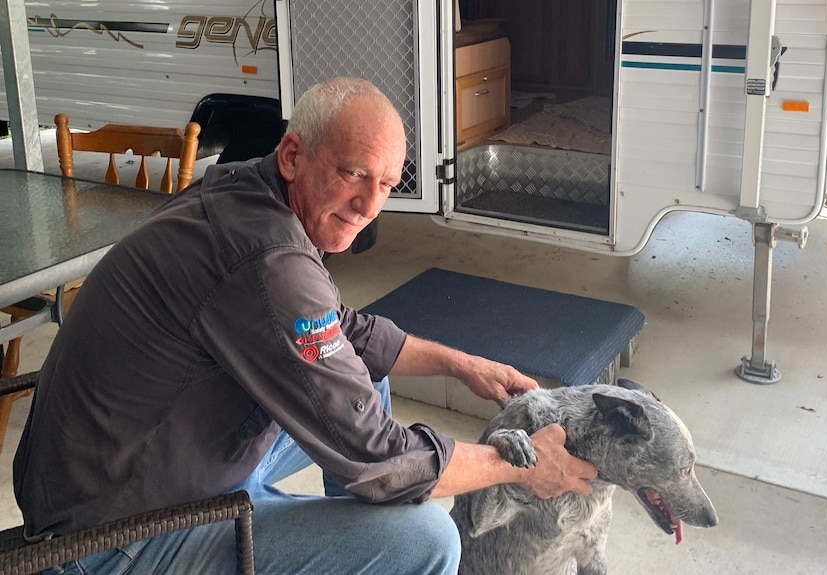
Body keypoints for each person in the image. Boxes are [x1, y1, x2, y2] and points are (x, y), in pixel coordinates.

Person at [13, 77, 597, 574]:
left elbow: (343, 330)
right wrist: (516, 465)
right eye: (353, 173)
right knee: (427, 541)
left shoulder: (242, 187)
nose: (370, 205)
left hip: (136, 466)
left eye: (387, 185)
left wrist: (462, 364)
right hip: (115, 539)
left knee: (367, 378)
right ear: (293, 155)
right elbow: (379, 460)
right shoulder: (267, 260)